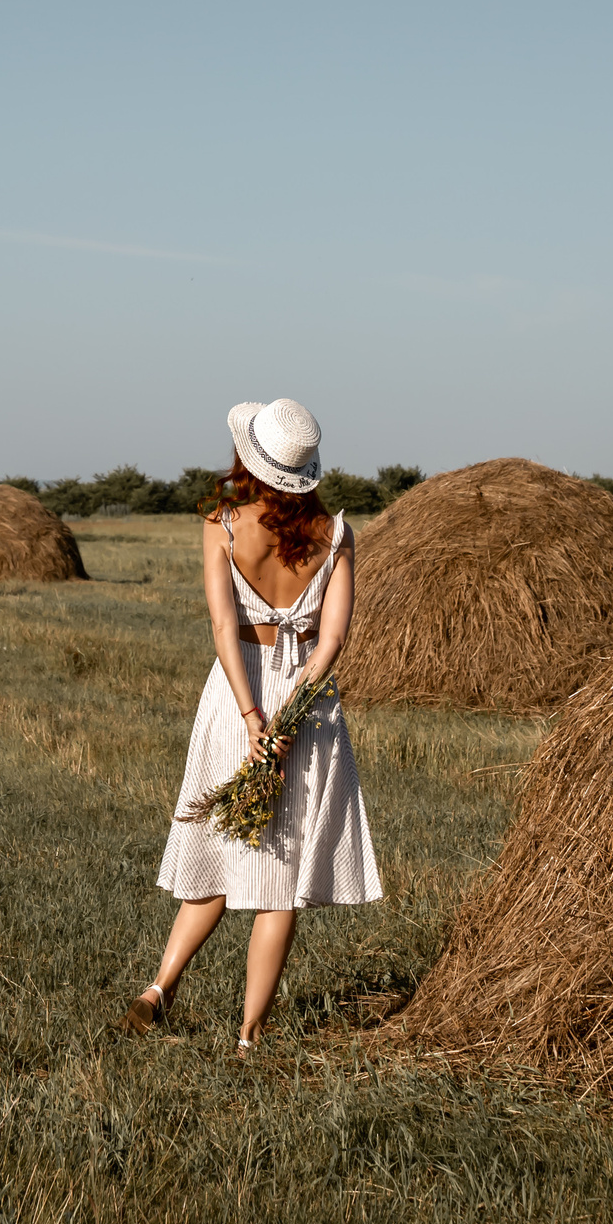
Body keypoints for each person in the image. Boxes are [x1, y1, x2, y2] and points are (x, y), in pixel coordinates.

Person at [121, 397, 382, 1055]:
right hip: (306, 703)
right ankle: (249, 1035)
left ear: (251, 461)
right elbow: (332, 640)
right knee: (280, 878)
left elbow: (221, 626)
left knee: (219, 848)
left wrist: (250, 715)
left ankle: (159, 987)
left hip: (237, 689)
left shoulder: (224, 525)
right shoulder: (337, 535)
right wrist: (290, 713)